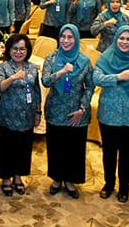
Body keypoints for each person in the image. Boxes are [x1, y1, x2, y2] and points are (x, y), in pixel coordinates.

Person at [93, 25, 129, 203]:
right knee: (109, 152)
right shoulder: (106, 57)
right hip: (108, 113)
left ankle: (124, 185)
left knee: (127, 153)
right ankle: (109, 183)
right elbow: (96, 78)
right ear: (115, 38)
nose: (124, 42)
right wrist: (118, 77)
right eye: (121, 38)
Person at [40, 24, 94, 198]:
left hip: (77, 111)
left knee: (74, 147)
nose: (66, 40)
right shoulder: (51, 58)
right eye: (63, 36)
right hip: (56, 108)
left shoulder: (84, 61)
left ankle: (70, 180)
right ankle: (56, 178)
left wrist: (83, 107)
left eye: (70, 37)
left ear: (76, 39)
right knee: (56, 145)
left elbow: (90, 86)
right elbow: (46, 81)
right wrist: (61, 71)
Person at [0, 34, 41, 196]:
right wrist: (13, 77)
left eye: (22, 49)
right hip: (8, 116)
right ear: (9, 50)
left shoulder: (32, 68)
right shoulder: (3, 67)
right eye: (15, 48)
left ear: (27, 51)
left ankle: (18, 176)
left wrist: (38, 111)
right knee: (7, 147)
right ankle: (6, 178)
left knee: (23, 147)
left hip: (27, 117)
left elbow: (36, 91)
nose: (18, 52)